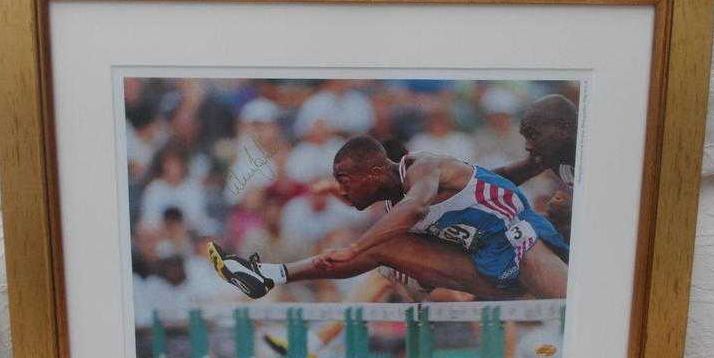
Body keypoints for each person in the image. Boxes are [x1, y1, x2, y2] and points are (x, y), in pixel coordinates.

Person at [208, 135, 569, 302]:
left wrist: (354, 249)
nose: (344, 192)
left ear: (377, 171)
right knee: (389, 249)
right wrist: (409, 276)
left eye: (346, 181)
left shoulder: (424, 167)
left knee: (382, 242)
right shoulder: (395, 213)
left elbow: (415, 207)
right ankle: (271, 275)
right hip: (486, 272)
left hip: (524, 247)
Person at [494, 94, 578, 241]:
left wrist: (572, 211)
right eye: (525, 137)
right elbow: (498, 179)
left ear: (563, 129)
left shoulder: (597, 155)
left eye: (533, 135)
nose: (528, 146)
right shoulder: (551, 154)